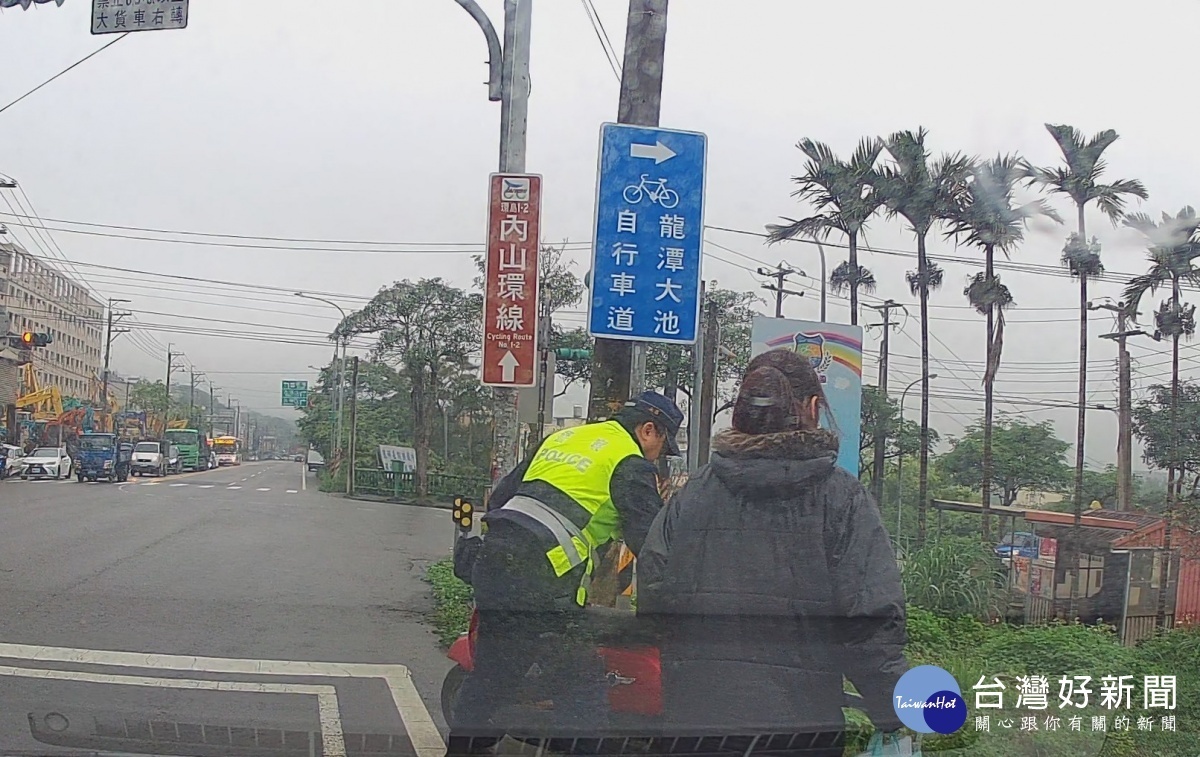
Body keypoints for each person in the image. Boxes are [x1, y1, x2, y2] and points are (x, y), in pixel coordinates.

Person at [637, 349, 908, 754]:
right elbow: (869, 627)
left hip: (692, 725)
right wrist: (894, 715)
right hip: (799, 732)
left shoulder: (695, 491)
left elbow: (654, 590)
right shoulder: (842, 498)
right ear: (814, 408)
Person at [447, 391, 684, 756]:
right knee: (582, 689)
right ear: (649, 430)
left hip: (494, 569)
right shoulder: (630, 462)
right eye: (662, 448)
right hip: (543, 588)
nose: (658, 459)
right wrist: (676, 595)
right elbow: (651, 544)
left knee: (494, 678)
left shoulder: (564, 437)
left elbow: (499, 500)